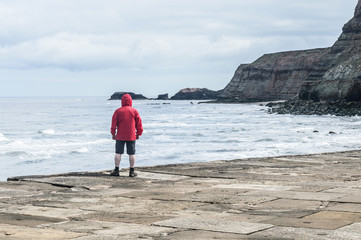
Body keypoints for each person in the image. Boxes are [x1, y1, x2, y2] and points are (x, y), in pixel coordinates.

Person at [110, 94, 143, 177]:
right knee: (131, 153)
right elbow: (139, 124)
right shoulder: (134, 111)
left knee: (118, 153)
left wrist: (113, 133)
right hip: (131, 135)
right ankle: (131, 171)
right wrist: (138, 133)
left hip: (120, 135)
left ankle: (116, 170)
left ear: (122, 101)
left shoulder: (118, 111)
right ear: (131, 101)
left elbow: (113, 124)